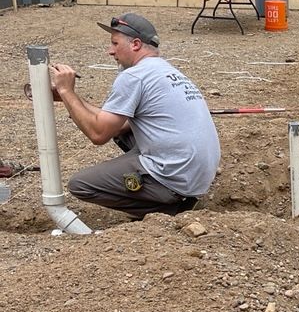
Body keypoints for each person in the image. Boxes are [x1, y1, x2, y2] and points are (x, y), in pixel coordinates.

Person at [49, 12, 221, 219]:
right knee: (121, 131)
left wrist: (67, 91)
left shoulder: (134, 76)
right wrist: (68, 98)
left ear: (136, 44)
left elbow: (98, 134)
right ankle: (171, 196)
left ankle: (166, 210)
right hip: (196, 175)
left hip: (176, 176)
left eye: (114, 43)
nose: (110, 51)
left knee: (81, 185)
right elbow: (113, 123)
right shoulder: (164, 70)